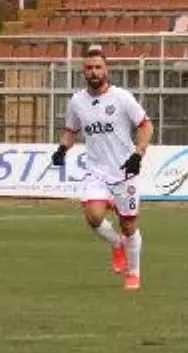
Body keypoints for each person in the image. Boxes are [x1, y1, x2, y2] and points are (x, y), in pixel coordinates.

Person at [51, 45, 152, 291]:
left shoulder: (121, 98)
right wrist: (62, 150)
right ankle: (117, 244)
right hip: (96, 171)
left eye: (98, 67)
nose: (94, 72)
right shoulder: (77, 101)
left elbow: (146, 125)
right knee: (93, 216)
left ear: (106, 70)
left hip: (124, 171)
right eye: (89, 68)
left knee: (129, 226)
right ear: (83, 71)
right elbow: (71, 131)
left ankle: (134, 272)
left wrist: (138, 154)